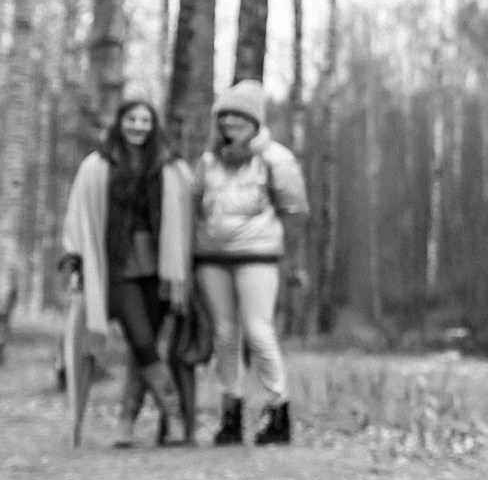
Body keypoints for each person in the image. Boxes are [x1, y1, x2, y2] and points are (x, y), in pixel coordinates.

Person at [59, 93, 195, 445]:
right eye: (131, 119)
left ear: (154, 126)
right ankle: (174, 413)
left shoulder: (171, 166)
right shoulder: (97, 165)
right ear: (120, 123)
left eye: (145, 120)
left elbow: (191, 214)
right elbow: (79, 212)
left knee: (143, 347)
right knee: (141, 339)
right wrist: (75, 258)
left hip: (162, 270)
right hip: (116, 267)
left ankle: (127, 422)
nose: (138, 126)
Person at [193, 80, 308, 446]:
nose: (230, 122)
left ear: (255, 120)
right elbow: (194, 206)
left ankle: (278, 410)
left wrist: (295, 263)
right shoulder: (209, 161)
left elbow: (295, 213)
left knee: (259, 332)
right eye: (224, 115)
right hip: (212, 258)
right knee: (224, 335)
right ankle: (231, 414)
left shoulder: (277, 160)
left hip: (258, 257)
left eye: (238, 115)